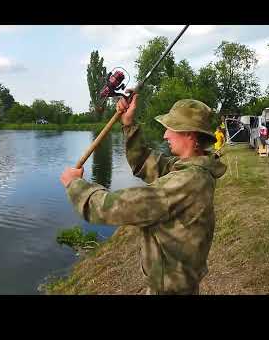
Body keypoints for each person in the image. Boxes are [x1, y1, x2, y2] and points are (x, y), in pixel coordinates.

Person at [60, 91, 226, 295]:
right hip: (177, 284)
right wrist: (128, 124)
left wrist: (75, 185)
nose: (165, 135)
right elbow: (145, 162)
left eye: (170, 129)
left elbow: (110, 208)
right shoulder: (193, 169)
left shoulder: (184, 182)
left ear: (189, 134)